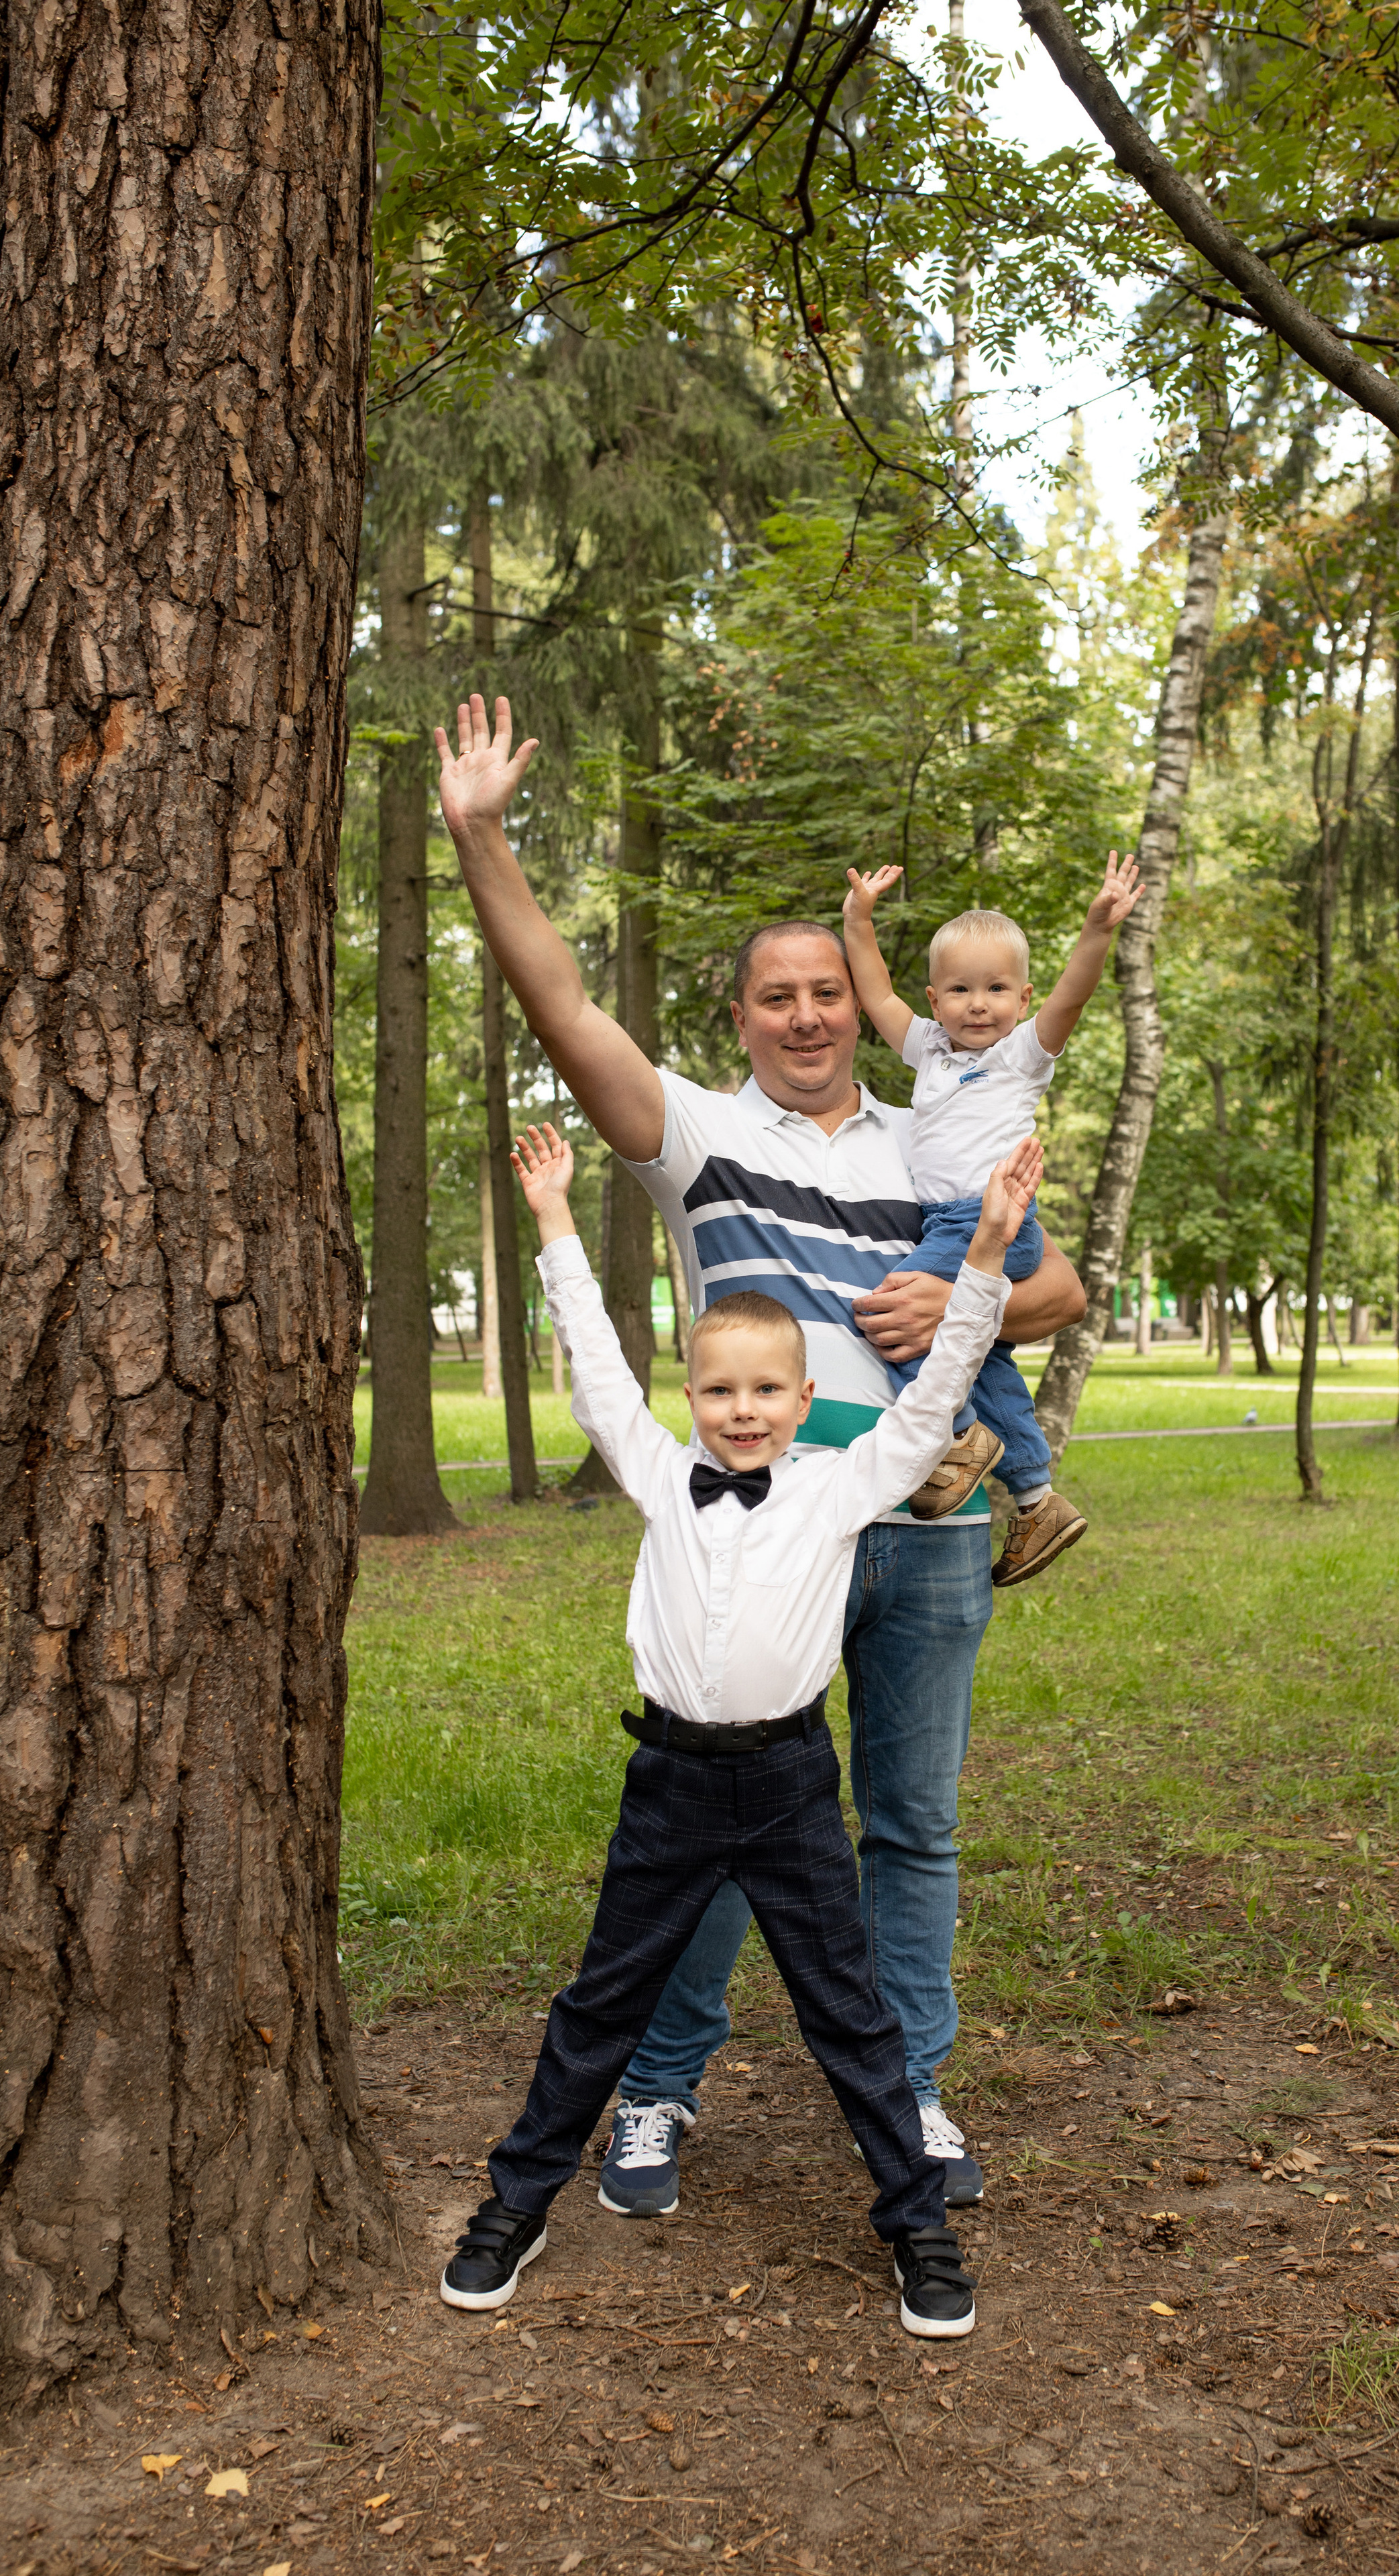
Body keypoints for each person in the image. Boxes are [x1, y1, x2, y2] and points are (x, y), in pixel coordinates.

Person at [435, 694, 1086, 2223]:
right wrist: (480, 836)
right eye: (772, 995)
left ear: (861, 1010)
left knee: (907, 1825)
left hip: (921, 1531)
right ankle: (657, 2090)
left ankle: (910, 2092)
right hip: (752, 1541)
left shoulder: (934, 1143)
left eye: (822, 991)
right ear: (739, 1019)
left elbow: (1055, 1288)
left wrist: (956, 1293)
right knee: (723, 1833)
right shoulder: (695, 1140)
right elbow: (563, 1009)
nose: (801, 1012)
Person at [438, 1123, 1043, 2332]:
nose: (743, 1411)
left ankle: (916, 2225)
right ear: (693, 1397)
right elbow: (600, 1369)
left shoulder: (843, 1484)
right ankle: (514, 2206)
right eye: (719, 1390)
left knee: (849, 2013)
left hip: (786, 1787)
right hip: (668, 1782)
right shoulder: (663, 1474)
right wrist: (556, 1220)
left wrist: (982, 1253)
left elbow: (931, 1399)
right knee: (600, 2006)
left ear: (804, 1401)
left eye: (768, 1391)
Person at [840, 855, 1141, 1585]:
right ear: (936, 999)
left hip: (987, 1220)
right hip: (950, 1220)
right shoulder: (929, 1052)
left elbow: (1072, 998)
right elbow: (874, 993)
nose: (979, 1005)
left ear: (1022, 997)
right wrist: (858, 921)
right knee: (986, 1354)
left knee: (896, 1312)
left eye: (997, 989)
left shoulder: (1019, 1057)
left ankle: (958, 1436)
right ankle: (1037, 1499)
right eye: (961, 991)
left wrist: (1097, 931)